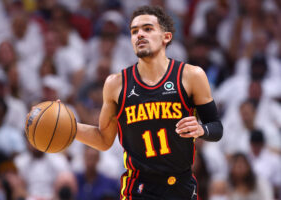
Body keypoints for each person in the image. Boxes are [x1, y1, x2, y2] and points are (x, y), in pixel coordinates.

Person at [56, 5, 223, 199]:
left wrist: (202, 130)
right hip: (138, 187)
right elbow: (103, 140)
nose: (139, 35)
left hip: (179, 185)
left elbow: (216, 128)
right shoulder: (116, 84)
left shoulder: (191, 76)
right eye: (134, 31)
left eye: (147, 29)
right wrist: (71, 128)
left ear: (166, 37)